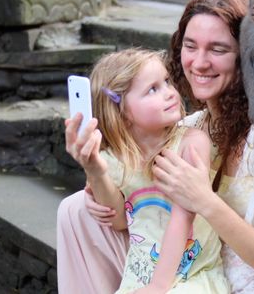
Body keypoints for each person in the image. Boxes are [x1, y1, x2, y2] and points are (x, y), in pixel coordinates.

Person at [57, 0, 254, 293]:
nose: (199, 63)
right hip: (187, 266)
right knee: (77, 208)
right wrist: (96, 174)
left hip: (245, 282)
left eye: (218, 49)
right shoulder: (191, 126)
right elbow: (135, 203)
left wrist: (204, 199)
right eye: (190, 46)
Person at [62, 48, 229, 293]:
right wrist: (95, 172)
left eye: (167, 82)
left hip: (194, 273)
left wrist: (159, 286)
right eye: (153, 89)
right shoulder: (114, 157)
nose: (170, 93)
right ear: (123, 112)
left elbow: (184, 216)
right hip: (140, 273)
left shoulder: (191, 143)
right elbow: (120, 220)